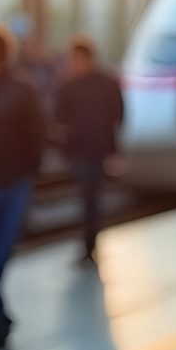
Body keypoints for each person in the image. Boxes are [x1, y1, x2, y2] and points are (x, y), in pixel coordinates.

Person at [0, 28, 44, 350]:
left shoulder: (22, 89)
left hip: (14, 184)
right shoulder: (23, 88)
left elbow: (36, 135)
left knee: (0, 255)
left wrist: (30, 173)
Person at [54, 37, 124, 265]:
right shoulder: (68, 84)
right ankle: (89, 243)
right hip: (79, 150)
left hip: (96, 149)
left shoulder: (102, 82)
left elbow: (118, 115)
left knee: (90, 197)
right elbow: (59, 118)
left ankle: (89, 244)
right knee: (89, 197)